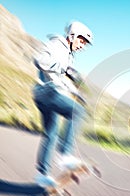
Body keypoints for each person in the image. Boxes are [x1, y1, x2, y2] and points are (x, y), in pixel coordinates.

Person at [32, 21, 93, 187]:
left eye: (85, 44)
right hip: (47, 92)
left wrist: (76, 93)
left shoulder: (68, 54)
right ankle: (65, 155)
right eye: (81, 41)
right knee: (76, 111)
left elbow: (61, 78)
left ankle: (42, 176)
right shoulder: (57, 45)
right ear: (72, 36)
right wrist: (63, 68)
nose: (82, 46)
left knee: (50, 134)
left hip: (42, 93)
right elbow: (39, 60)